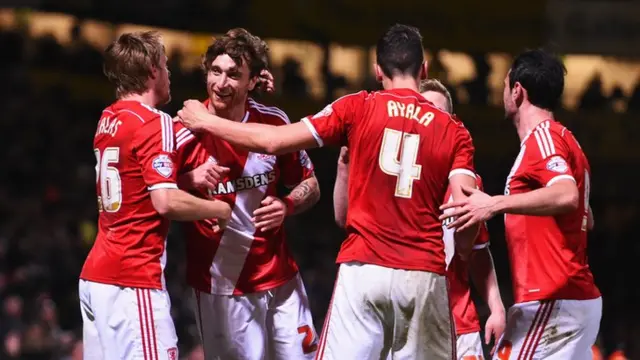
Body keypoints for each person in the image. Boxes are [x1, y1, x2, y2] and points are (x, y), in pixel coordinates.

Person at [177, 24, 481, 360]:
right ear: (424, 71)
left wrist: (205, 121)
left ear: (377, 70)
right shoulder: (455, 131)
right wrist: (466, 248)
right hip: (424, 272)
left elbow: (274, 141)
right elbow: (466, 213)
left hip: (363, 268)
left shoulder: (356, 107)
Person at [78, 31, 232, 360]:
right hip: (131, 280)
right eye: (165, 65)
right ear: (152, 71)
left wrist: (187, 179)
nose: (169, 73)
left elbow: (136, 188)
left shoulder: (109, 118)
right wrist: (217, 209)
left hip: (96, 279)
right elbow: (164, 202)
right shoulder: (155, 122)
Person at [441, 49, 601, 359]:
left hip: (553, 301)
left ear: (517, 91)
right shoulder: (567, 140)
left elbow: (567, 195)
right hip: (570, 301)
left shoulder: (544, 139)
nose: (502, 93)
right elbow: (587, 216)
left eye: (504, 85)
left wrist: (495, 204)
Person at [333, 79, 506, 360]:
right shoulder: (386, 179)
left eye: (438, 112)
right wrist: (343, 168)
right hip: (401, 319)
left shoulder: (467, 184)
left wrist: (496, 306)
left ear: (450, 122)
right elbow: (343, 220)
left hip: (458, 321)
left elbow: (476, 251)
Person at [174, 28, 320, 360]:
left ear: (253, 81)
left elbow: (311, 184)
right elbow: (154, 197)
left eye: (233, 75)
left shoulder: (274, 122)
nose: (221, 83)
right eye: (215, 71)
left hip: (282, 281)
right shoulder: (182, 132)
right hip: (222, 289)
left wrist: (288, 204)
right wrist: (188, 179)